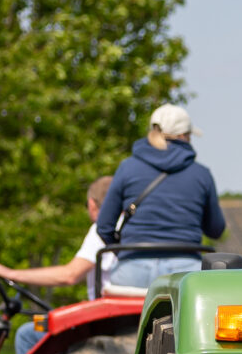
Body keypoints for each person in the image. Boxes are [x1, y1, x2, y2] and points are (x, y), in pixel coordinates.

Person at [0, 175, 116, 354]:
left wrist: (9, 273)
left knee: (27, 334)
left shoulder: (103, 229)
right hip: (113, 316)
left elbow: (70, 275)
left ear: (92, 204)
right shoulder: (134, 228)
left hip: (103, 321)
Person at [95, 104, 226, 297]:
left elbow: (104, 226)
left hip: (132, 270)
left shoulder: (127, 168)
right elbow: (216, 229)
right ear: (183, 136)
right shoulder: (201, 174)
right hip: (185, 271)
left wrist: (128, 250)